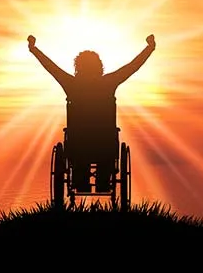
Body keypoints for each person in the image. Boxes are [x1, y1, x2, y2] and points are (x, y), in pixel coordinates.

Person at [28, 33, 156, 193]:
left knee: (79, 150)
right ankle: (103, 180)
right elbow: (132, 67)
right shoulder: (109, 82)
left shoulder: (71, 84)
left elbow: (51, 67)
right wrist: (149, 48)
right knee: (104, 149)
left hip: (78, 144)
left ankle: (81, 180)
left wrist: (34, 49)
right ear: (99, 66)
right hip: (105, 144)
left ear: (78, 67)